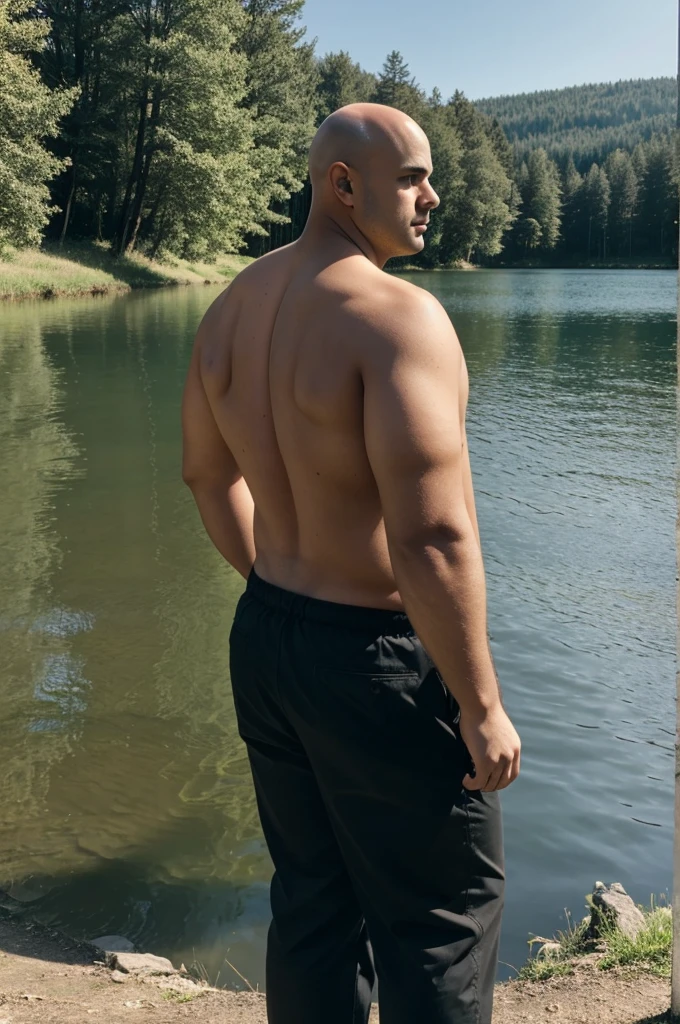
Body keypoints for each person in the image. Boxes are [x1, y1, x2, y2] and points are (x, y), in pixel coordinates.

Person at [181, 102, 521, 1024]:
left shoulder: (229, 310)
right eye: (412, 176)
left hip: (267, 638)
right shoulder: (398, 319)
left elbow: (206, 481)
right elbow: (432, 540)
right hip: (379, 663)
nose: (432, 196)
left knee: (312, 906)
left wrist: (279, 595)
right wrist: (482, 707)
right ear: (343, 185)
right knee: (440, 922)